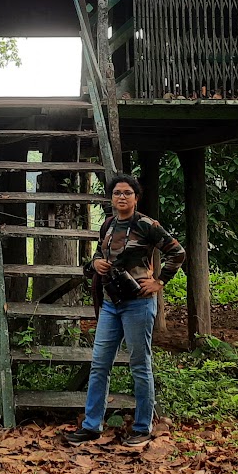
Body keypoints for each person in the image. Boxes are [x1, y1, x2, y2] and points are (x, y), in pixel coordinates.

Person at [62, 173, 186, 449]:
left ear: (136, 197)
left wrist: (159, 282)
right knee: (99, 365)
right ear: (111, 197)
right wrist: (96, 264)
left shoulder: (146, 225)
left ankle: (143, 427)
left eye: (127, 193)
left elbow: (177, 252)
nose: (121, 197)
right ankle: (91, 426)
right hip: (110, 303)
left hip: (138, 304)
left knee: (140, 366)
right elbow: (97, 255)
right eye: (117, 192)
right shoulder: (107, 225)